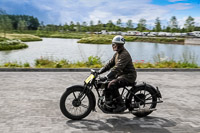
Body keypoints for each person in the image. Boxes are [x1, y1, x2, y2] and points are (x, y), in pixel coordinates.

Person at [98, 35, 137, 113]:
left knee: (112, 84)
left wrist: (106, 76)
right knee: (106, 83)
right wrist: (99, 71)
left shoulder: (124, 54)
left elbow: (117, 68)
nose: (112, 46)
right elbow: (109, 64)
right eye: (112, 44)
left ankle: (121, 105)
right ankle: (109, 102)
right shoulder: (117, 53)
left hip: (129, 76)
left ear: (119, 45)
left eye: (114, 44)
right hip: (122, 75)